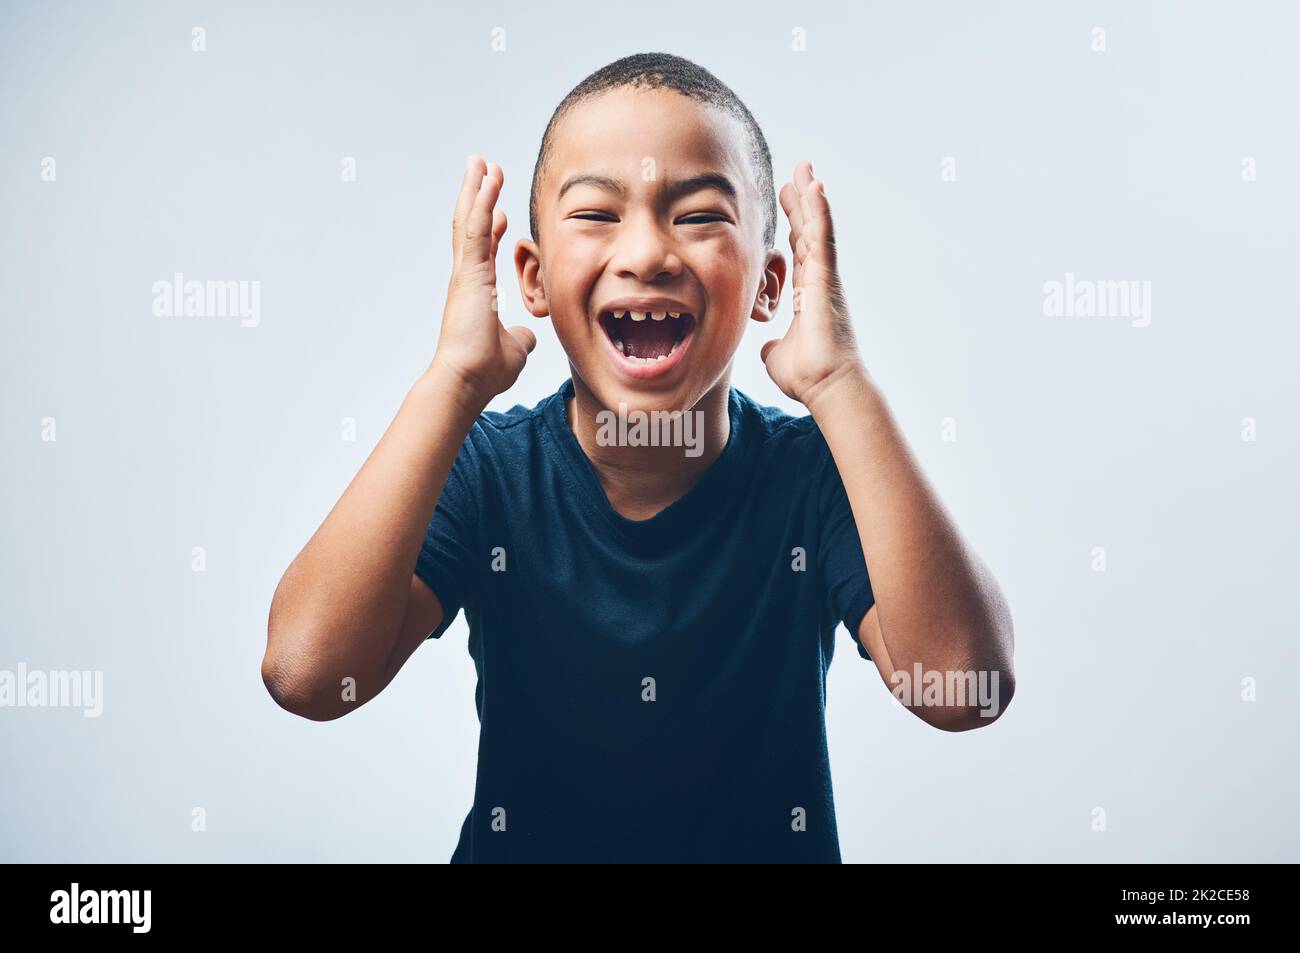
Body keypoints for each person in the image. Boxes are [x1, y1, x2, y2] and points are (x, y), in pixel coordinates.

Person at [263, 52, 1016, 863]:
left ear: (769, 286)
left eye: (697, 216)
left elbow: (966, 688)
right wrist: (450, 382)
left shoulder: (816, 475)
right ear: (534, 276)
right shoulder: (489, 471)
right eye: (595, 214)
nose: (648, 252)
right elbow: (308, 674)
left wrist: (841, 383)